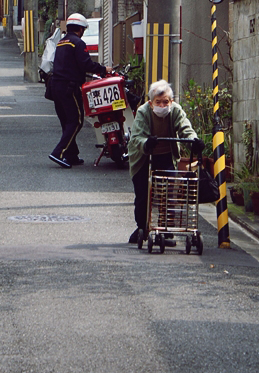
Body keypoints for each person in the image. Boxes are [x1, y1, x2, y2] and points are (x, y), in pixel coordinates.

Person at [127, 79, 204, 243]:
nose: (162, 106)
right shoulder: (143, 112)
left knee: (169, 194)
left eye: (165, 102)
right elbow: (137, 137)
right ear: (151, 102)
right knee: (143, 194)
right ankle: (142, 227)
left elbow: (185, 128)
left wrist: (194, 141)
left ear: (171, 101)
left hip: (166, 155)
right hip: (143, 157)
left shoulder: (175, 110)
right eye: (158, 102)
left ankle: (165, 229)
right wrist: (146, 142)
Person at [48, 13, 111, 168]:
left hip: (55, 87)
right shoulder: (78, 43)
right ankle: (58, 153)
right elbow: (86, 64)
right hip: (69, 87)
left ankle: (72, 155)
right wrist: (104, 69)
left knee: (66, 121)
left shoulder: (62, 42)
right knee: (76, 121)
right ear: (81, 29)